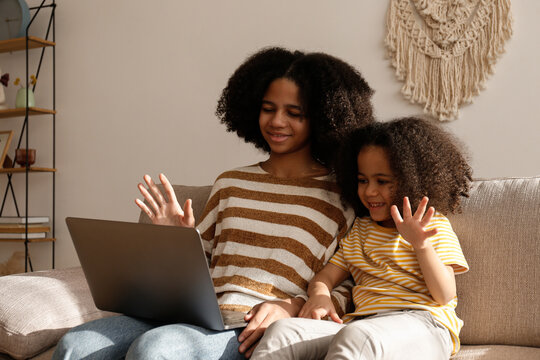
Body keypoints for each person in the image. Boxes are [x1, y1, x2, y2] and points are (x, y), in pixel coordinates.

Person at [52, 46, 374, 360]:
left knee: (156, 349)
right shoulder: (231, 182)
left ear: (321, 118)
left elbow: (352, 286)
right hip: (197, 316)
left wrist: (290, 307)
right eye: (268, 108)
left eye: (294, 113)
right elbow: (197, 271)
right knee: (75, 345)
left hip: (249, 328)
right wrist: (174, 242)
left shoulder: (339, 197)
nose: (277, 121)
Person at [251, 117, 472, 360]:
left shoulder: (431, 224)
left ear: (412, 180)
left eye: (382, 181)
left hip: (425, 325)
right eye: (363, 181)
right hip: (361, 325)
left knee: (358, 338)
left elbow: (444, 294)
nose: (369, 191)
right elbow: (324, 278)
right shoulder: (360, 231)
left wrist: (421, 244)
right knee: (281, 333)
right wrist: (320, 296)